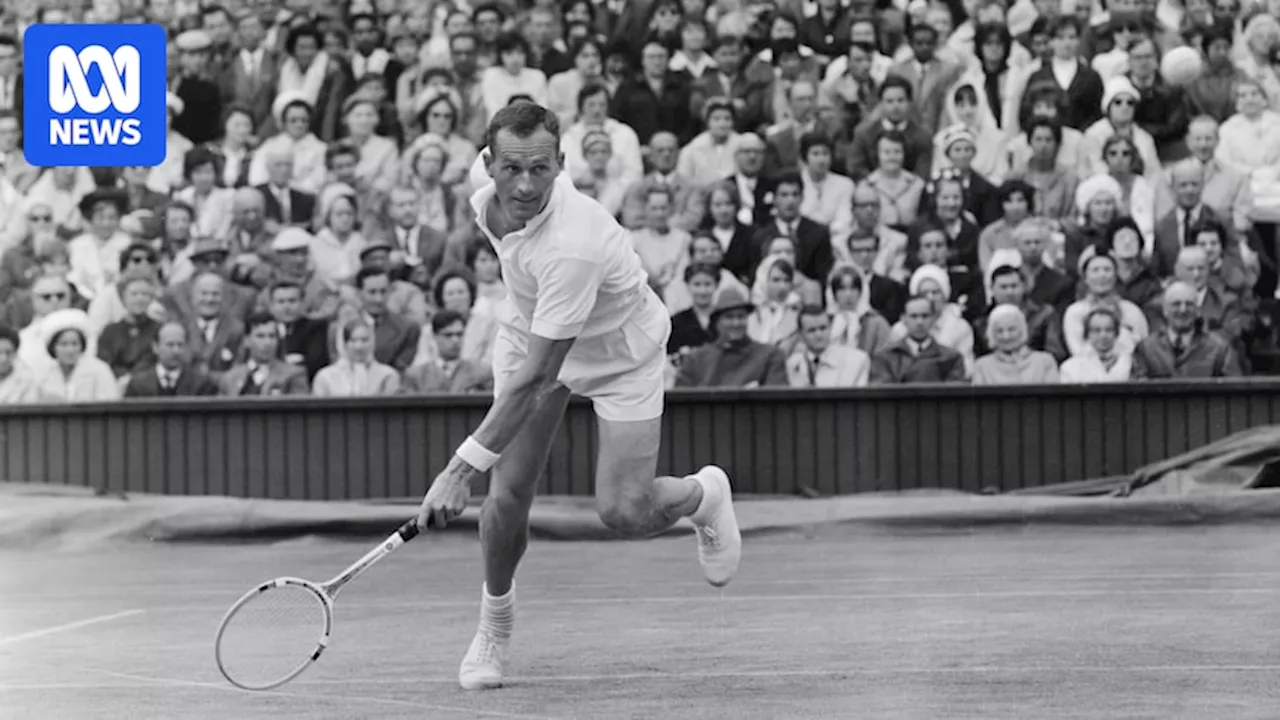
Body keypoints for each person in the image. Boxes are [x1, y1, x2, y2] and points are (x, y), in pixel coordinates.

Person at [415, 102, 743, 691]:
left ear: (561, 163)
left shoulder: (573, 242)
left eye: (540, 169)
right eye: (511, 168)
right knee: (508, 495)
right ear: (487, 163)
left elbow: (539, 379)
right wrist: (476, 473)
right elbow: (537, 367)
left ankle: (703, 496)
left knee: (624, 512)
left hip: (621, 353)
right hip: (531, 330)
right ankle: (493, 627)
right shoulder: (484, 188)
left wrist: (455, 471)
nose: (525, 184)